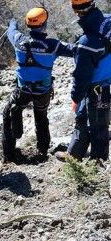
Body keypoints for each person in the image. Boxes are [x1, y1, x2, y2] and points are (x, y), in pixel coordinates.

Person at [2, 7, 74, 163]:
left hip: (23, 90)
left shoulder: (19, 40)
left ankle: (9, 155)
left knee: (8, 113)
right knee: (41, 117)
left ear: (28, 24)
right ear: (45, 24)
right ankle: (42, 149)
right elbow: (75, 50)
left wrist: (12, 23)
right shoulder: (53, 45)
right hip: (43, 91)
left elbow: (11, 30)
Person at [55, 0, 110, 161]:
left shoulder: (86, 43)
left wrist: (75, 97)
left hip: (99, 86)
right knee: (82, 117)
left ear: (76, 10)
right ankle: (74, 153)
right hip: (103, 82)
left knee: (99, 126)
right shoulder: (108, 20)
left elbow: (81, 76)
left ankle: (98, 163)